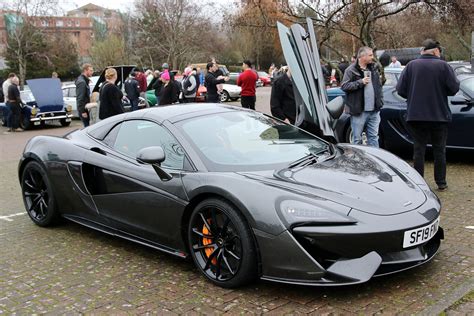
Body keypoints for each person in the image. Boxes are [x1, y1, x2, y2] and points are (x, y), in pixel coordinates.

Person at [396, 39, 460, 191]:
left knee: (418, 150)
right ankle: (441, 182)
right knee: (439, 150)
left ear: (423, 51)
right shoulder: (444, 66)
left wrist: (413, 96)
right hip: (439, 115)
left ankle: (419, 183)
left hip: (416, 115)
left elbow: (400, 90)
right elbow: (454, 88)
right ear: (436, 51)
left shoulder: (411, 66)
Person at [341, 46, 383, 147]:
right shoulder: (350, 70)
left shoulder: (374, 68)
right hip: (359, 112)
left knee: (373, 137)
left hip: (374, 111)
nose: (372, 57)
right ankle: (357, 161)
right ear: (362, 56)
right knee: (357, 139)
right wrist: (360, 82)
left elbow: (378, 87)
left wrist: (380, 102)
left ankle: (374, 160)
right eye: (370, 55)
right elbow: (344, 86)